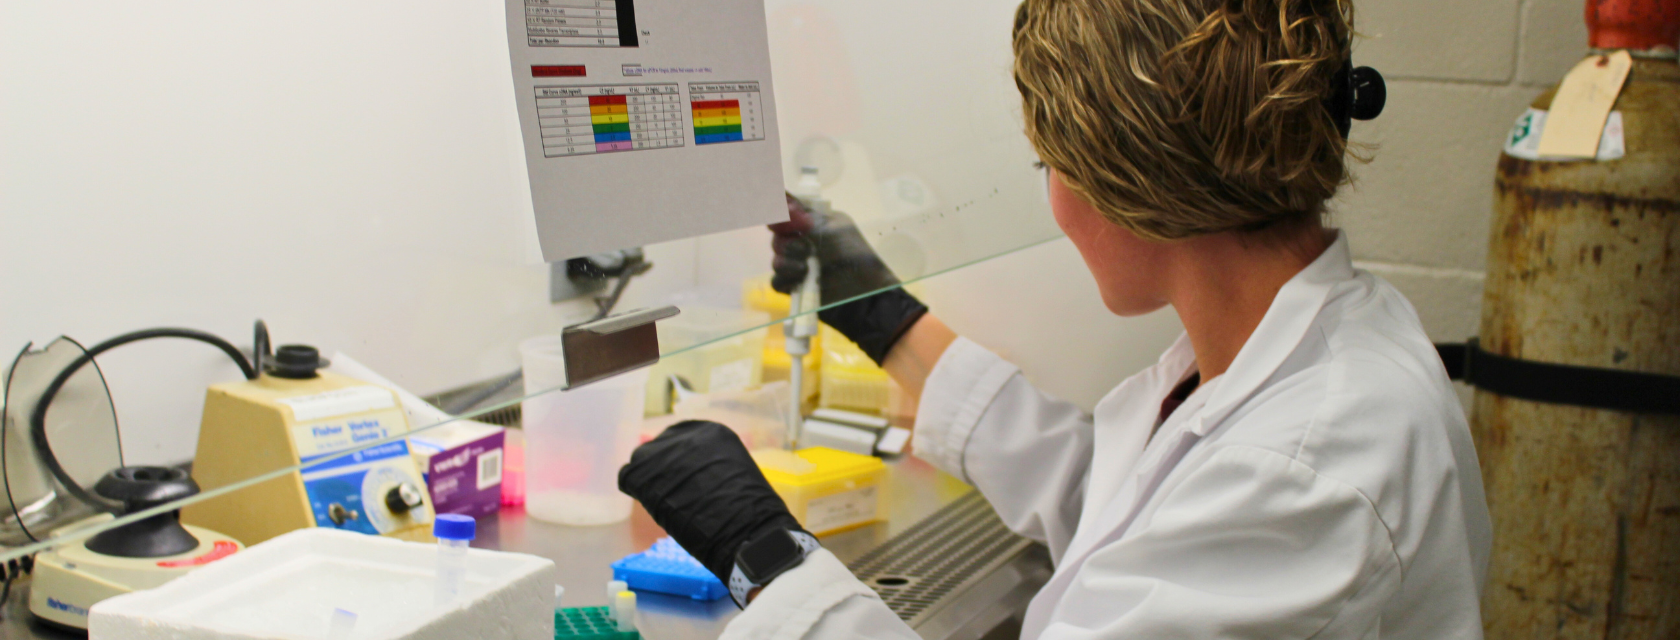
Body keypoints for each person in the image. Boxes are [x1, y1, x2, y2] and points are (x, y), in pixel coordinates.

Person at [620, 0, 1492, 637]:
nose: (1054, 199)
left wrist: (766, 555)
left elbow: (1195, 521)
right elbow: (1121, 507)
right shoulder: (1319, 345)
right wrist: (882, 315)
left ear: (1127, 178)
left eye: (1049, 161)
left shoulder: (1303, 469)